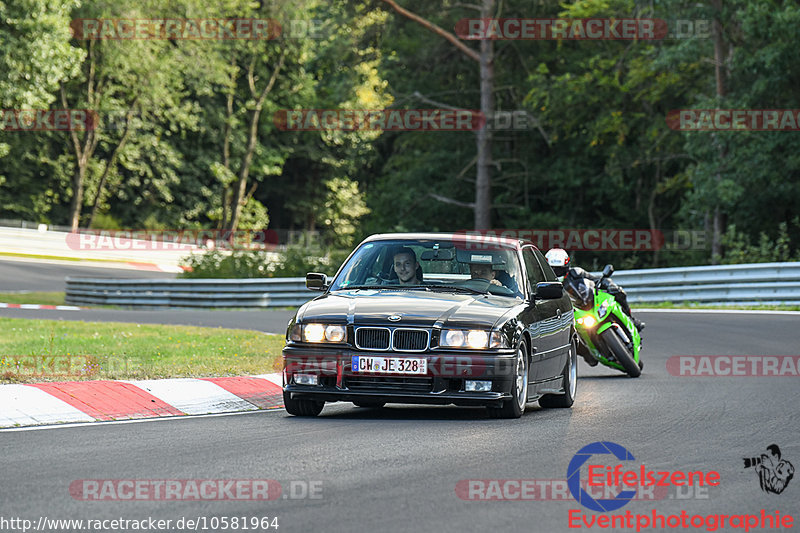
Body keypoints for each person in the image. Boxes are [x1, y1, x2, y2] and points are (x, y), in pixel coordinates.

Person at [545, 248, 645, 332]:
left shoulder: (576, 272)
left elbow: (595, 279)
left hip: (588, 304)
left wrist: (607, 284)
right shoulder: (544, 285)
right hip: (570, 316)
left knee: (618, 292)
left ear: (567, 266)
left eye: (560, 269)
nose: (557, 273)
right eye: (552, 270)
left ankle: (631, 319)